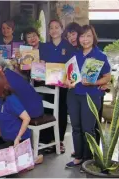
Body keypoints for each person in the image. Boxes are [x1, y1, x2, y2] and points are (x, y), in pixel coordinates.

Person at [65, 25, 111, 169]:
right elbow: (68, 75)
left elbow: (107, 78)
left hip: (91, 96)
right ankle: (78, 156)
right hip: (73, 95)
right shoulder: (75, 55)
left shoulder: (100, 56)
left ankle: (88, 159)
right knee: (76, 128)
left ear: (93, 37)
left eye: (88, 36)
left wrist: (94, 82)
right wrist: (67, 81)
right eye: (82, 36)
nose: (85, 40)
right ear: (79, 39)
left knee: (88, 129)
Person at [0, 71, 43, 166]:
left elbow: (26, 118)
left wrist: (18, 139)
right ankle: (26, 158)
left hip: (18, 140)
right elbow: (2, 114)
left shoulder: (11, 99)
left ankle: (28, 157)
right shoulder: (1, 98)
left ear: (1, 83)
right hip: (7, 139)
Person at [41, 20, 76, 153]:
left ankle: (59, 140)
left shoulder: (68, 46)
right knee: (46, 110)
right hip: (47, 84)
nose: (54, 30)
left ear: (62, 30)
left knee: (61, 111)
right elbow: (41, 64)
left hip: (63, 86)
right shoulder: (44, 47)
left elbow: (72, 66)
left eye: (57, 27)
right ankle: (47, 139)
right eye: (51, 28)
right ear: (49, 31)